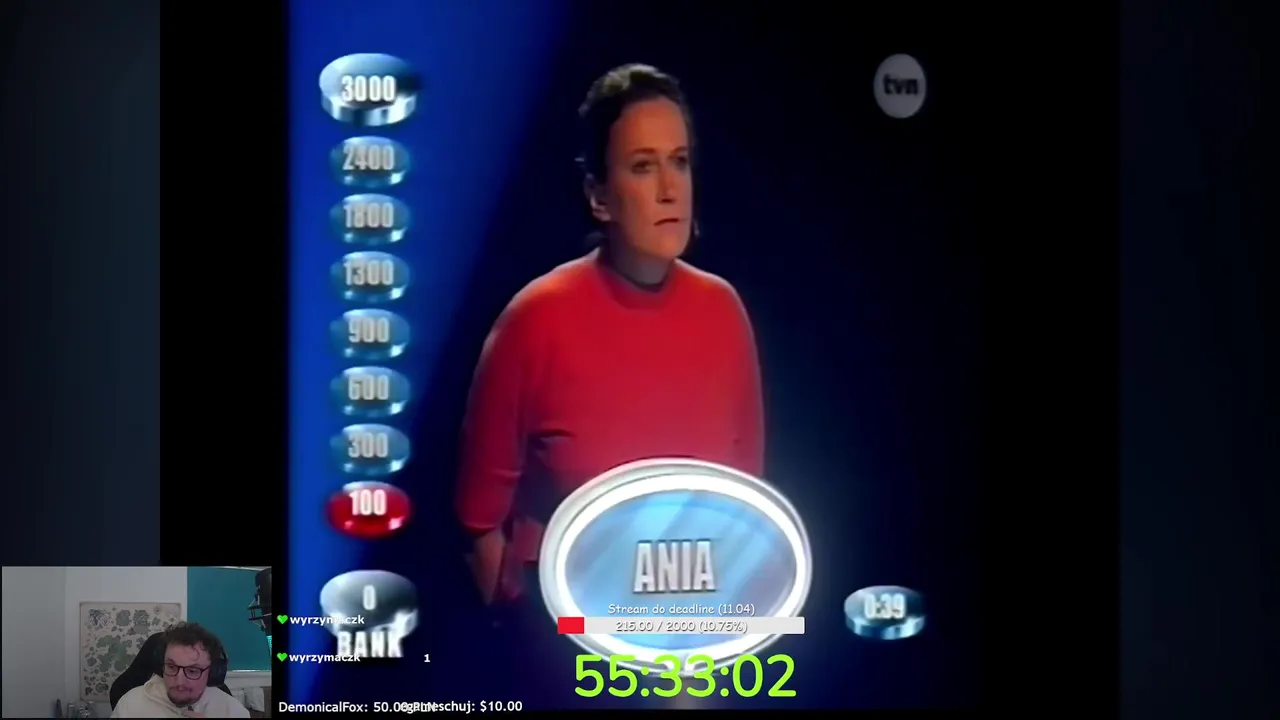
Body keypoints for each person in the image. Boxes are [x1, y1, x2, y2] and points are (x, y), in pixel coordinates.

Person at [454, 63, 764, 707]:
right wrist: (532, 649)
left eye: (680, 162)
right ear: (599, 195)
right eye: (643, 167)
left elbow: (743, 502)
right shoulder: (537, 318)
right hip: (560, 651)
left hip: (690, 645)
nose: (671, 189)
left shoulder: (724, 312)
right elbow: (479, 518)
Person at [112, 622, 250, 718]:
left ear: (212, 673)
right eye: (172, 667)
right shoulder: (129, 705)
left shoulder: (234, 712)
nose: (179, 682)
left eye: (192, 671)